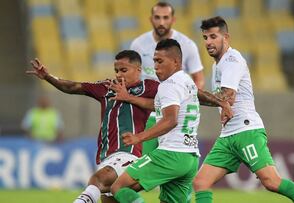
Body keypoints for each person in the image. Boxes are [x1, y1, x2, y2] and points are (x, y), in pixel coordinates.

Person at [192, 16, 294, 203]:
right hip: (228, 135)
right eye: (205, 38)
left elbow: (227, 97)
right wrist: (193, 96)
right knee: (201, 182)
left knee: (271, 182)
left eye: (213, 37)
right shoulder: (217, 64)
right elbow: (219, 100)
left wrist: (193, 94)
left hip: (246, 131)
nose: (208, 42)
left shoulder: (232, 60)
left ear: (226, 37)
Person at [26, 50, 159, 203]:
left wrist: (129, 98)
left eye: (124, 70)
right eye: (116, 70)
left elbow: (169, 104)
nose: (118, 75)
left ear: (138, 70)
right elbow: (73, 87)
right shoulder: (107, 87)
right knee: (108, 197)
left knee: (98, 179)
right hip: (106, 156)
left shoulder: (148, 87)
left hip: (128, 154)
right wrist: (48, 77)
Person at [109, 39, 232, 203]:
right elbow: (161, 106)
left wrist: (139, 137)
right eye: (154, 61)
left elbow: (170, 120)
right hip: (190, 158)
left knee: (118, 187)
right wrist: (221, 102)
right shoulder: (186, 81)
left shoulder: (169, 85)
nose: (155, 66)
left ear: (175, 61)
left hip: (170, 154)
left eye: (160, 61)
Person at [130, 1, 205, 155]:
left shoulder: (187, 45)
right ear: (151, 19)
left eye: (166, 17)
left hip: (175, 113)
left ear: (173, 20)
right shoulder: (138, 45)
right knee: (143, 161)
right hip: (147, 114)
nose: (161, 22)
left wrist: (188, 103)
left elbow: (199, 78)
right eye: (157, 17)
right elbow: (132, 79)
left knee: (171, 158)